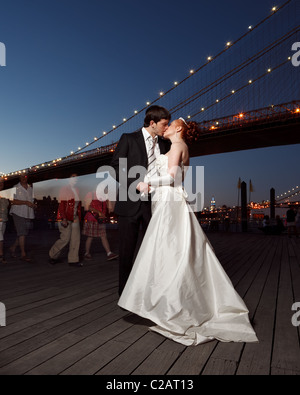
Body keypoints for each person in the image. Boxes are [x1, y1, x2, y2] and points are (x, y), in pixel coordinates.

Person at [118, 118, 258, 346]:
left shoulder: (177, 146)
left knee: (169, 253)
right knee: (170, 253)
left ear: (179, 128)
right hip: (166, 202)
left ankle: (171, 306)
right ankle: (165, 301)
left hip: (169, 204)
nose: (167, 126)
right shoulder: (177, 147)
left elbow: (172, 178)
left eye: (170, 124)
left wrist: (147, 183)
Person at [110, 105, 171, 295]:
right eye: (164, 124)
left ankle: (150, 293)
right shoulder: (128, 139)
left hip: (155, 204)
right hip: (130, 203)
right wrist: (137, 183)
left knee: (154, 251)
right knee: (127, 252)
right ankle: (125, 295)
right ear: (152, 123)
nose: (166, 128)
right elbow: (115, 167)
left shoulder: (164, 143)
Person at [49, 174, 82, 266]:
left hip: (75, 217)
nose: (75, 178)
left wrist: (78, 216)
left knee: (76, 239)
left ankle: (73, 260)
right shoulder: (64, 189)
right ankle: (53, 255)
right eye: (73, 177)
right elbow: (62, 204)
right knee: (65, 239)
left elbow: (77, 205)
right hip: (66, 217)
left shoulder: (77, 190)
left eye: (76, 177)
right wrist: (63, 218)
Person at [82, 188, 118, 261]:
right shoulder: (91, 194)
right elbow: (87, 207)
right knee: (90, 236)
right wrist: (98, 212)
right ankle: (87, 253)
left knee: (103, 236)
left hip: (100, 219)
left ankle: (109, 253)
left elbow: (110, 209)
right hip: (92, 219)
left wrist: (109, 201)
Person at [9, 175, 36, 262]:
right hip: (18, 212)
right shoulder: (15, 187)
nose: (24, 178)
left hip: (28, 213)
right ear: (19, 178)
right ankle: (23, 254)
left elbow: (32, 201)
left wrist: (33, 205)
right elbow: (12, 201)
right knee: (22, 233)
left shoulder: (30, 188)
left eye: (25, 176)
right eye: (22, 177)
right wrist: (25, 202)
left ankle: (13, 248)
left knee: (23, 233)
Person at [0, 179, 9, 264]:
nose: (1, 184)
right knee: (0, 238)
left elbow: (6, 206)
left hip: (4, 219)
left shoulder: (5, 194)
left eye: (2, 183)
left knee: (1, 236)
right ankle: (1, 255)